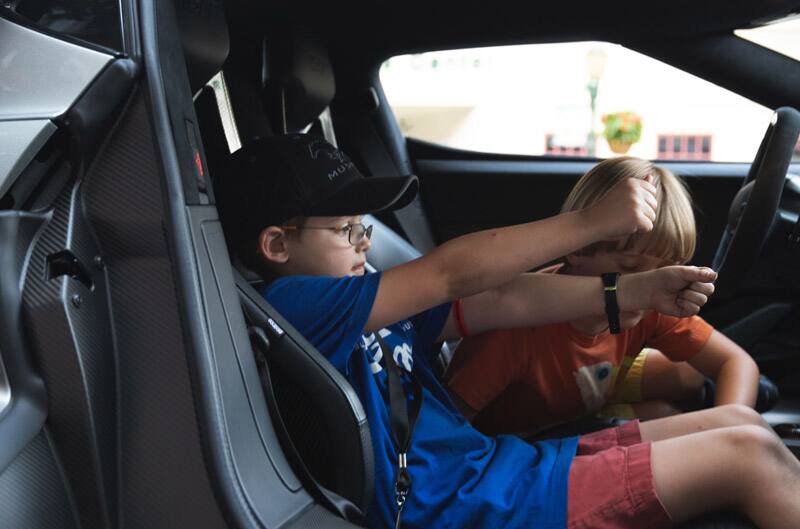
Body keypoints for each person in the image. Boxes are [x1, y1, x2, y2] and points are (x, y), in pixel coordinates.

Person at [217, 134, 798, 529]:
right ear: (276, 245)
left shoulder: (360, 306)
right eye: (349, 231)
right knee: (747, 455)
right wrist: (588, 224)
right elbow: (451, 274)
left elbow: (500, 295)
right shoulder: (294, 306)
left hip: (490, 472)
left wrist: (633, 293)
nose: (365, 249)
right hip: (461, 507)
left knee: (739, 421)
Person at [446, 157, 760, 437]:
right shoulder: (516, 328)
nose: (652, 284)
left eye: (666, 269)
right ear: (579, 249)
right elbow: (447, 426)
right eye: (630, 267)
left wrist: (728, 428)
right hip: (522, 444)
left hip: (582, 400)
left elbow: (736, 362)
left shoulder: (654, 299)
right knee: (664, 418)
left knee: (689, 375)